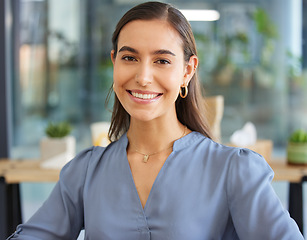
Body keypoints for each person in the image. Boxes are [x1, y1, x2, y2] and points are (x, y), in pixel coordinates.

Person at [8, 1, 304, 240]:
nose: (143, 77)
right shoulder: (85, 172)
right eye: (129, 58)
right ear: (114, 62)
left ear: (188, 70)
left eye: (162, 60)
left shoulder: (234, 171)